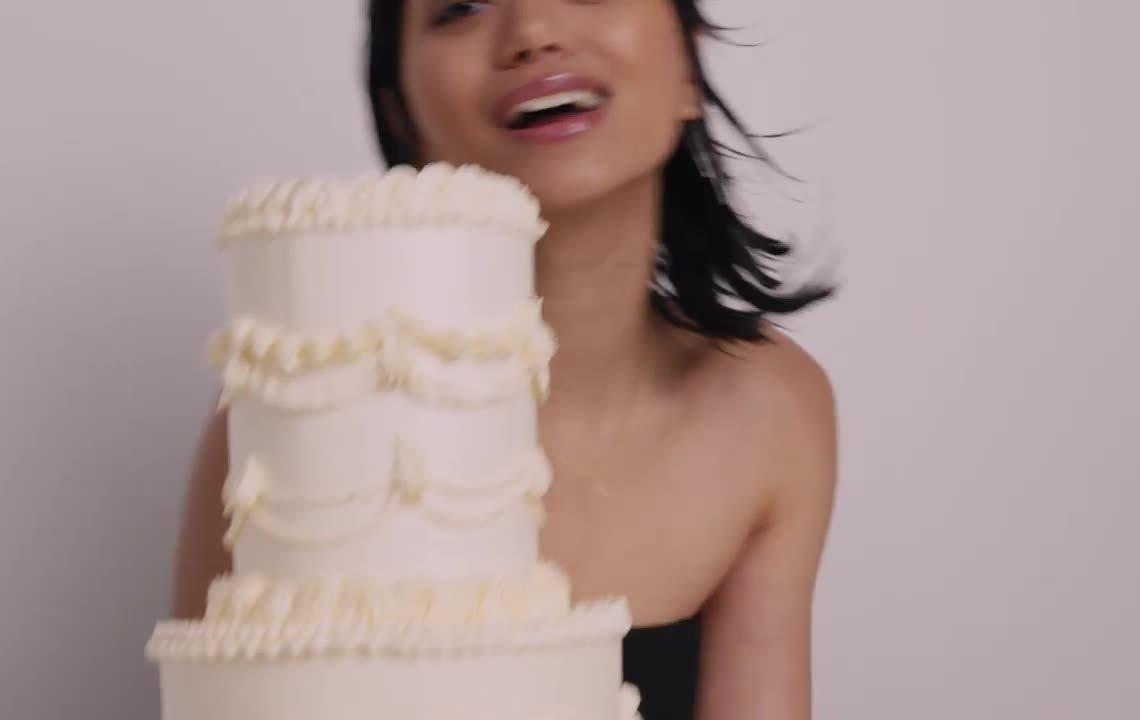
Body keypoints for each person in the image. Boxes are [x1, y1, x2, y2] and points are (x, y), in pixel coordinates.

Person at [172, 1, 838, 718]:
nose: (533, 32)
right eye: (461, 7)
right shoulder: (288, 429)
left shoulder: (768, 412)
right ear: (401, 114)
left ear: (690, 67)